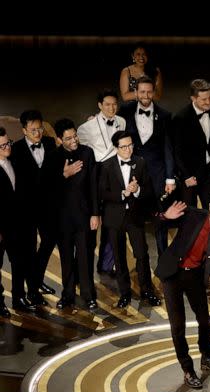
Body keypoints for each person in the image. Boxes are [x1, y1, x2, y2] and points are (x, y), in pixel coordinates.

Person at [154, 193, 210, 389]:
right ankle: (187, 369)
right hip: (173, 273)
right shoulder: (192, 215)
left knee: (204, 320)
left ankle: (207, 357)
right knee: (178, 326)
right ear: (209, 206)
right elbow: (158, 224)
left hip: (195, 277)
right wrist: (165, 216)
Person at [98, 130, 161, 308]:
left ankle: (147, 291)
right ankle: (125, 293)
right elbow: (102, 193)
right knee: (119, 258)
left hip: (135, 217)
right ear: (116, 148)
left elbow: (148, 190)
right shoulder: (107, 166)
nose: (128, 150)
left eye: (130, 145)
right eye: (124, 147)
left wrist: (137, 190)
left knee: (141, 254)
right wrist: (123, 193)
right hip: (114, 218)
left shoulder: (140, 162)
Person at [42, 119, 99, 310]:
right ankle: (67, 295)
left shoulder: (87, 153)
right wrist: (64, 174)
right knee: (66, 259)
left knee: (85, 258)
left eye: (75, 135)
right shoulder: (52, 158)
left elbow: (93, 185)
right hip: (62, 219)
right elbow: (46, 190)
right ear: (59, 139)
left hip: (84, 217)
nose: (74, 140)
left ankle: (88, 295)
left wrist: (95, 214)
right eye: (68, 138)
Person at [118, 75, 175, 256]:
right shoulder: (125, 111)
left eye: (149, 91)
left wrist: (170, 178)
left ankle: (163, 257)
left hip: (157, 175)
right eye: (142, 91)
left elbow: (168, 148)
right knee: (135, 218)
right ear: (135, 92)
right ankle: (140, 258)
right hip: (134, 174)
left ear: (154, 93)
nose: (146, 95)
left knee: (160, 218)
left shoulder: (165, 115)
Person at [12, 109, 57, 307]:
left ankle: (35, 280)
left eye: (39, 129)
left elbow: (54, 171)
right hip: (26, 210)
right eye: (33, 130)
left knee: (49, 242)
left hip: (48, 207)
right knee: (29, 250)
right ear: (24, 130)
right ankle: (33, 289)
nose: (37, 133)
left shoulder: (49, 143)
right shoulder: (16, 150)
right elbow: (22, 183)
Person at [77, 89, 126, 275]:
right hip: (97, 179)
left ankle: (107, 264)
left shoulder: (122, 121)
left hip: (117, 178)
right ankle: (85, 269)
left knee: (112, 223)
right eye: (107, 104)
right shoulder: (85, 128)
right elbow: (86, 158)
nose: (111, 108)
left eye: (114, 104)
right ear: (99, 105)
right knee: (93, 225)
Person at [173, 79, 210, 209]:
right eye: (203, 99)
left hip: (209, 170)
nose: (208, 102)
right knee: (190, 214)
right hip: (190, 173)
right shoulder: (181, 118)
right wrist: (186, 175)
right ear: (193, 98)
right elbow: (177, 151)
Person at [0, 127, 30, 315]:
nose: (7, 148)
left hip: (17, 224)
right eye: (2, 146)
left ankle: (19, 297)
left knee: (19, 262)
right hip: (0, 228)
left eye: (8, 143)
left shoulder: (13, 161)